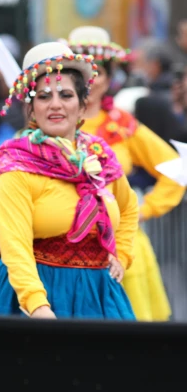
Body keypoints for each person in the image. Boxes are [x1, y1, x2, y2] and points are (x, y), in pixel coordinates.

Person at [0, 41, 138, 319]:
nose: (55, 105)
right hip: (34, 294)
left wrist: (122, 255)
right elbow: (13, 243)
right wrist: (37, 306)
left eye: (66, 95)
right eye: (43, 97)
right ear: (31, 109)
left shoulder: (101, 157)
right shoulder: (17, 164)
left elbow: (127, 208)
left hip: (98, 294)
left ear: (81, 106)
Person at [65, 26, 185, 321]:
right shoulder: (52, 125)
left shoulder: (123, 125)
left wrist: (146, 208)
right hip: (61, 239)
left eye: (97, 73)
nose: (88, 82)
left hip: (119, 240)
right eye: (79, 74)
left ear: (108, 80)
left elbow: (177, 168)